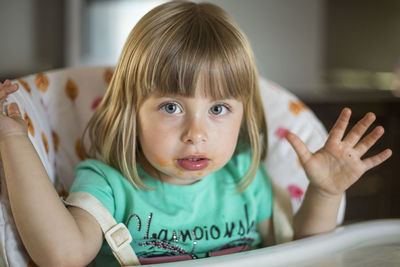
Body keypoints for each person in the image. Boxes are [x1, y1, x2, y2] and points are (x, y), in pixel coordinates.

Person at [0, 1, 392, 266]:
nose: (196, 133)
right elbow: (61, 256)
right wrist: (14, 139)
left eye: (218, 109)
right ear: (130, 113)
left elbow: (306, 252)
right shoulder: (109, 184)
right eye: (171, 107)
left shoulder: (245, 178)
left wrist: (324, 192)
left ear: (245, 116)